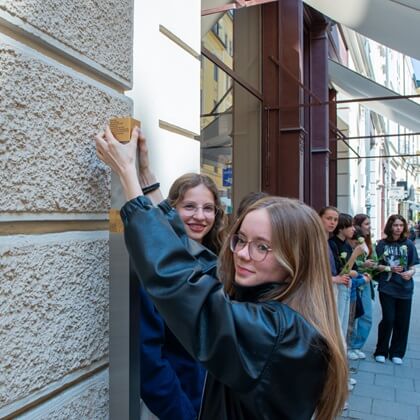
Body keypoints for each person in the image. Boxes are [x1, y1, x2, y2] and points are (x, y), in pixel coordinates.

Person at [95, 126, 348, 419]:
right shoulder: (285, 310)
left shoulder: (276, 332)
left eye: (262, 247)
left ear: (296, 260)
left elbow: (185, 286)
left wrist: (127, 174)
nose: (241, 252)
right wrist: (148, 183)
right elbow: (199, 269)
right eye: (240, 239)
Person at [134, 133, 226, 419]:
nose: (200, 216)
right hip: (177, 405)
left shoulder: (215, 259)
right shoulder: (157, 267)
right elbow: (149, 358)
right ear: (173, 211)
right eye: (189, 207)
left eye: (208, 208)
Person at [373, 215, 419, 365]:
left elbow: (412, 267)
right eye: (395, 225)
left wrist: (410, 273)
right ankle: (381, 351)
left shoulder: (409, 244)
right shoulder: (382, 244)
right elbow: (375, 265)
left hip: (405, 288)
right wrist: (389, 268)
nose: (398, 228)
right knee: (388, 318)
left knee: (402, 321)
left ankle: (397, 352)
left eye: (401, 225)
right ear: (390, 227)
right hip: (387, 287)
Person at [349, 213, 376, 360]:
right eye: (366, 224)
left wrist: (374, 267)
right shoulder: (353, 242)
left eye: (369, 223)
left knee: (367, 316)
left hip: (367, 282)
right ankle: (350, 346)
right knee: (354, 316)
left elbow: (375, 260)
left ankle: (357, 346)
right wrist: (362, 265)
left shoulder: (370, 243)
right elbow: (349, 263)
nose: (369, 226)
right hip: (356, 281)